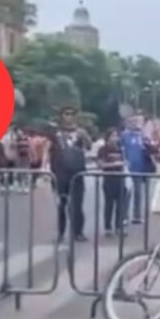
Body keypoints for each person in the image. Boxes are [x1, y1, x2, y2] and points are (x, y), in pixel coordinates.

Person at [48, 105, 90, 244]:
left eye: (72, 114)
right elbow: (50, 151)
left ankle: (78, 232)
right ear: (62, 116)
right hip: (60, 173)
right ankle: (61, 233)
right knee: (62, 205)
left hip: (77, 173)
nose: (69, 117)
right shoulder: (56, 134)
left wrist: (84, 137)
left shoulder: (80, 132)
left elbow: (88, 146)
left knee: (77, 205)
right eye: (66, 114)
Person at [122, 116, 156, 225]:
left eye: (137, 122)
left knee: (138, 193)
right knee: (126, 193)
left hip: (140, 168)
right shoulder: (124, 136)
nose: (135, 124)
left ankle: (137, 216)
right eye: (132, 122)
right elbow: (121, 150)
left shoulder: (143, 136)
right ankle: (124, 216)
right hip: (128, 168)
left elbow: (150, 150)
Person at [97, 128, 128, 237]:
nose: (115, 138)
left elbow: (125, 163)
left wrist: (123, 164)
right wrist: (116, 164)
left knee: (121, 205)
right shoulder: (103, 149)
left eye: (116, 136)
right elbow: (101, 165)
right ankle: (108, 227)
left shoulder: (120, 149)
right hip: (109, 179)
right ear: (108, 137)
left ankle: (119, 227)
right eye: (113, 136)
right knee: (109, 205)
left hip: (120, 179)